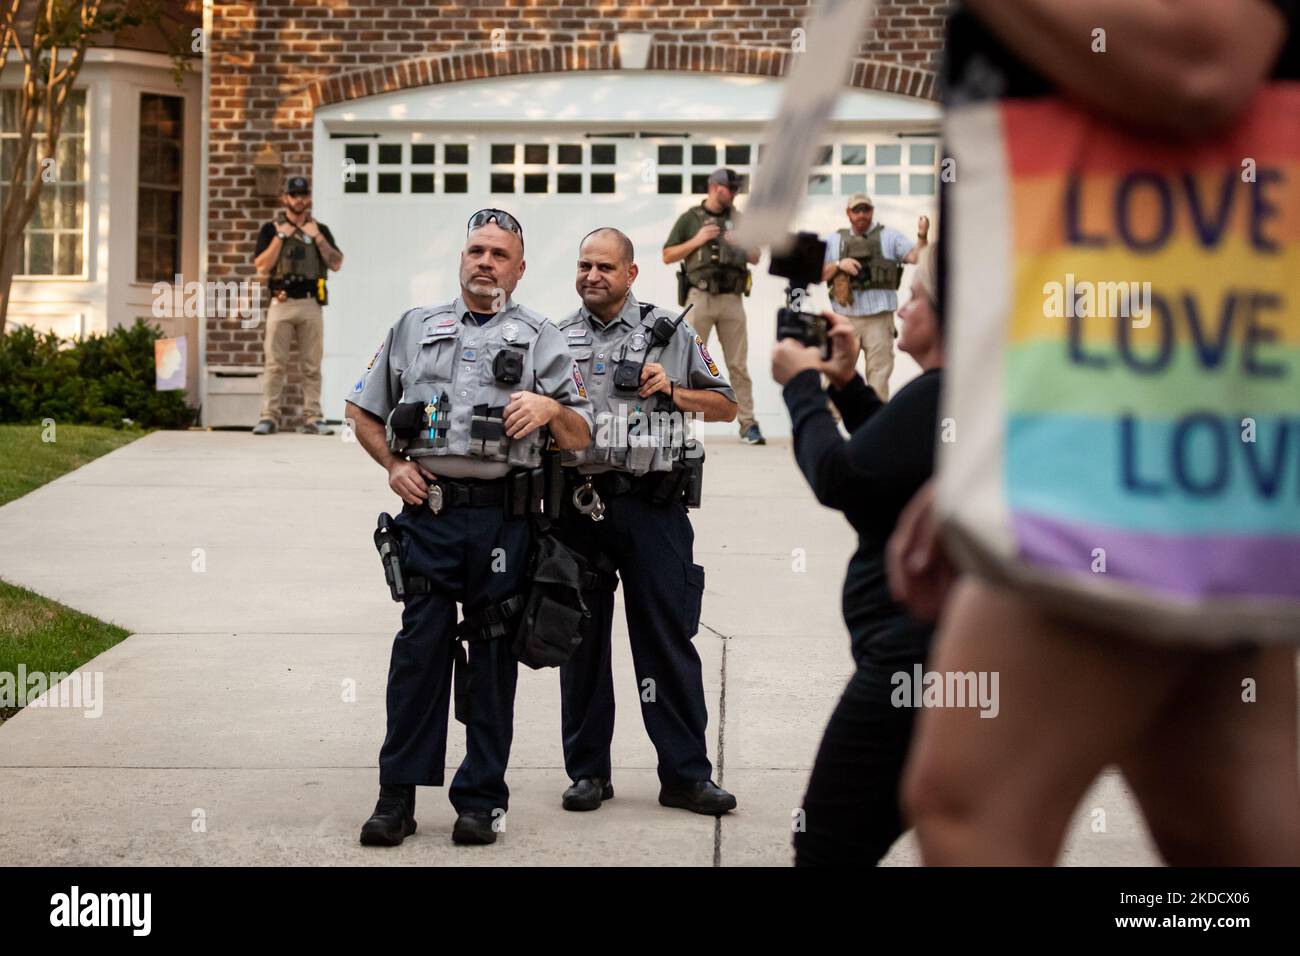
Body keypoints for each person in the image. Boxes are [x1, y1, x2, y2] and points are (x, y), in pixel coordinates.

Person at [891, 0, 1300, 865]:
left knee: (972, 802)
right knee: (1221, 824)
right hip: (1145, 419)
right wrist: (991, 451)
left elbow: (1206, 61)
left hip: (1141, 426)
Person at [344, 209, 593, 847]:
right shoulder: (413, 327)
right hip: (428, 516)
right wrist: (395, 464)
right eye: (477, 250)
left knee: (490, 661)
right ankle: (395, 797)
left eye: (499, 254)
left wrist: (551, 406)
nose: (485, 262)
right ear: (463, 258)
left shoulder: (542, 336)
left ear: (519, 268)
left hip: (504, 523)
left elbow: (582, 433)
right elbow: (361, 409)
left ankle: (481, 800)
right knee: (418, 654)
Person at [553, 227, 739, 816]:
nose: (592, 276)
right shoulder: (553, 339)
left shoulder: (672, 331)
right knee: (578, 642)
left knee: (666, 640)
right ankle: (588, 772)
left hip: (653, 507)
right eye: (584, 266)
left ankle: (685, 775)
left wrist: (675, 391)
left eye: (605, 267)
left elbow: (728, 406)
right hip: (578, 506)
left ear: (632, 273)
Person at [772, 245, 943, 865]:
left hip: (911, 662)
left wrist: (801, 390)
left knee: (827, 846)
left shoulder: (938, 395)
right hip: (947, 659)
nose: (902, 306)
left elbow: (842, 479)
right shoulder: (948, 396)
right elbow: (888, 473)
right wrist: (843, 383)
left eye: (916, 296)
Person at [663, 168, 765, 445]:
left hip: (732, 298)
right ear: (713, 186)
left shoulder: (741, 220)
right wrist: (699, 239)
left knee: (738, 364)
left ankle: (748, 424)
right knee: (686, 362)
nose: (733, 193)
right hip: (700, 297)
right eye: (728, 187)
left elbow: (756, 256)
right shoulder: (691, 218)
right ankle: (680, 425)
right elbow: (668, 255)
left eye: (735, 189)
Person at [251, 176, 343, 435]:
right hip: (280, 303)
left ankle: (313, 417)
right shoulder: (271, 229)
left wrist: (317, 238)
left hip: (311, 304)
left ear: (308, 198)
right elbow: (261, 266)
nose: (299, 199)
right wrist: (281, 235)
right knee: (274, 364)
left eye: (303, 195)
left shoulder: (320, 229)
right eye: (294, 195)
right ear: (285, 199)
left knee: (312, 365)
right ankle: (269, 416)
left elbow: (336, 263)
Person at [820, 194, 928, 400]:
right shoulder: (834, 241)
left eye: (866, 210)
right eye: (857, 210)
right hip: (845, 318)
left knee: (879, 376)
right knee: (834, 375)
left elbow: (916, 257)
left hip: (879, 318)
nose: (862, 215)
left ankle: (874, 428)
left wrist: (922, 236)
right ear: (848, 213)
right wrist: (838, 265)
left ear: (872, 211)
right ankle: (827, 428)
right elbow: (816, 273)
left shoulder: (889, 236)